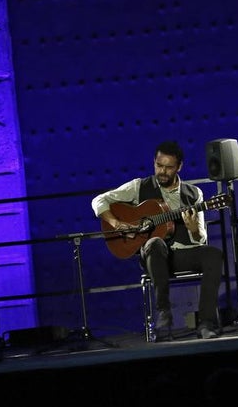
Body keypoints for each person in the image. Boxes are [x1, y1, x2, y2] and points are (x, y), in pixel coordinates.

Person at [92, 141, 225, 340]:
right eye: (158, 165)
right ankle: (164, 313)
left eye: (168, 167)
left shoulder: (195, 194)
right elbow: (98, 201)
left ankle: (206, 323)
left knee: (213, 254)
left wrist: (194, 230)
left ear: (179, 167)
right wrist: (117, 224)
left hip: (181, 255)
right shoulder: (139, 187)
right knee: (155, 243)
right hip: (154, 256)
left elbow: (200, 239)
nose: (162, 171)